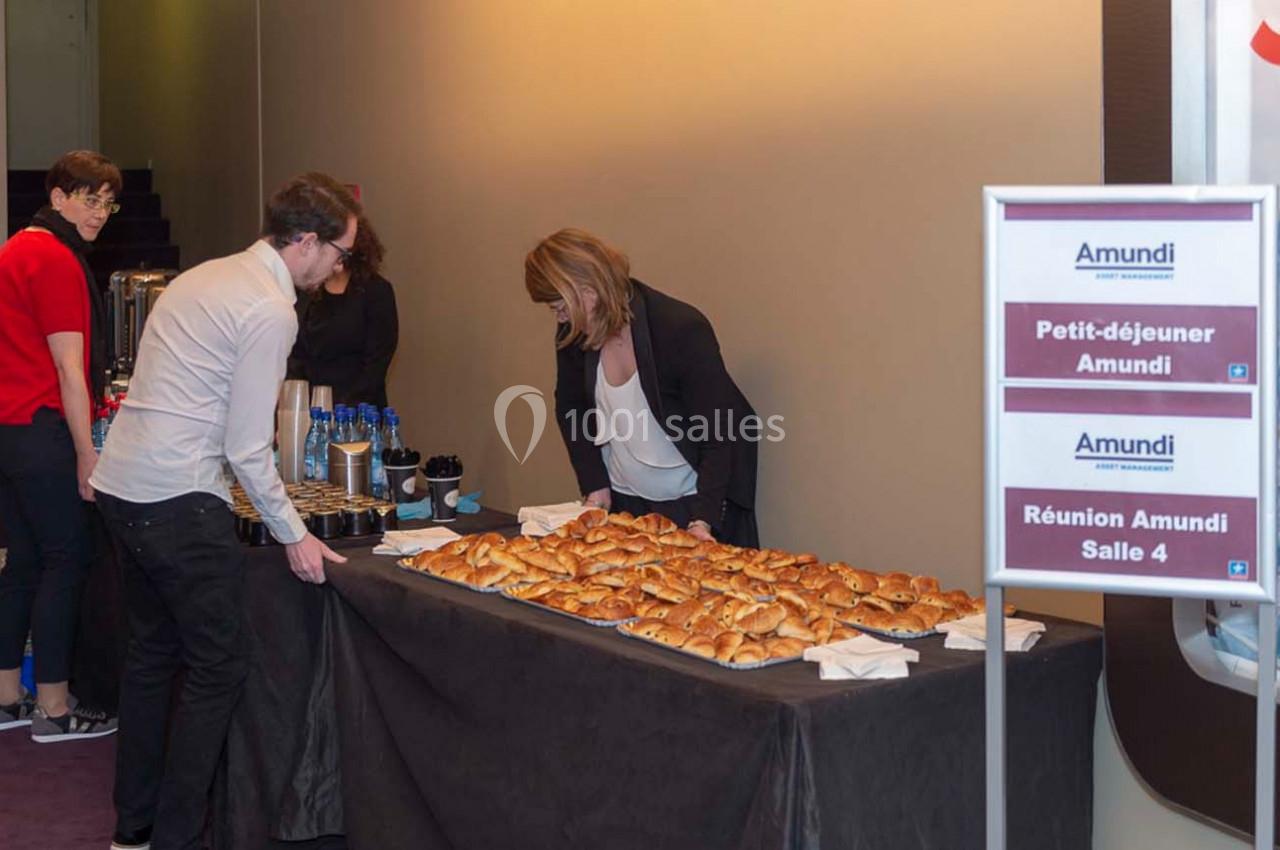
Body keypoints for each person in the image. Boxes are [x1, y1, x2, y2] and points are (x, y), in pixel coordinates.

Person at [90, 173, 357, 850]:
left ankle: (135, 829)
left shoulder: (205, 275)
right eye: (338, 252)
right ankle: (178, 837)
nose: (338, 267)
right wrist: (294, 535)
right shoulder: (270, 308)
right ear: (305, 242)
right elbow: (246, 447)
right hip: (176, 498)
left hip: (122, 485)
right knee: (219, 666)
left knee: (152, 656)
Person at [525, 228, 759, 547]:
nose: (561, 317)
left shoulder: (680, 328)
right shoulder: (574, 330)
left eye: (560, 306)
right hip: (627, 500)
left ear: (588, 290)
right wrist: (595, 483)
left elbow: (721, 433)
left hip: (694, 500)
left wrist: (703, 520)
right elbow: (571, 407)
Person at [0, 150, 121, 742]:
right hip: (42, 426)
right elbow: (70, 370)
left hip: (7, 428)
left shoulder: (14, 247)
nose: (98, 212)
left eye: (106, 201)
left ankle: (6, 696)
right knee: (64, 560)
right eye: (87, 197)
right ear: (57, 198)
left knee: (21, 563)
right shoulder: (53, 257)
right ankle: (53, 706)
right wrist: (86, 451)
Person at [287, 213, 398, 408]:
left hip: (358, 411)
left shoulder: (376, 291)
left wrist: (339, 410)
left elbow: (375, 365)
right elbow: (295, 357)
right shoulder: (307, 290)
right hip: (310, 407)